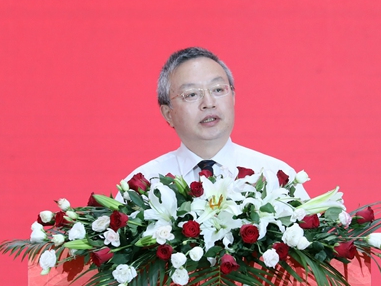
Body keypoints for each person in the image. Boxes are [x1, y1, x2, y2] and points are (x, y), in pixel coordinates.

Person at [122, 47, 308, 198]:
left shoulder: (276, 177)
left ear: (233, 97)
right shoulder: (144, 186)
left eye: (218, 90)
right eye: (191, 94)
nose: (209, 103)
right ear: (168, 114)